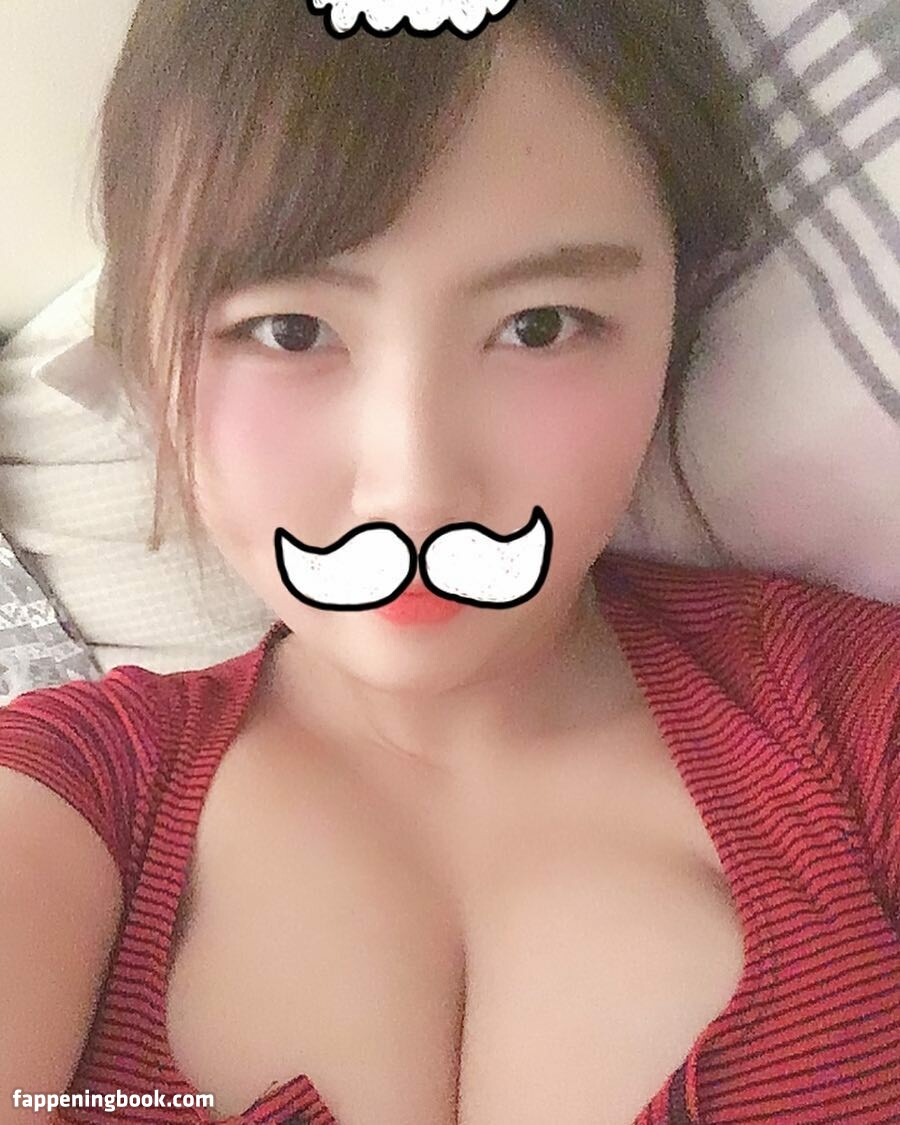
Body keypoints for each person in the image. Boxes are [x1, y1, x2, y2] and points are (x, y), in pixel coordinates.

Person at [2, 2, 899, 1124]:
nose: (415, 487)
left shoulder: (860, 718)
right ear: (148, 350)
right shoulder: (65, 798)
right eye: (289, 330)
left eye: (540, 326)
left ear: (676, 318)